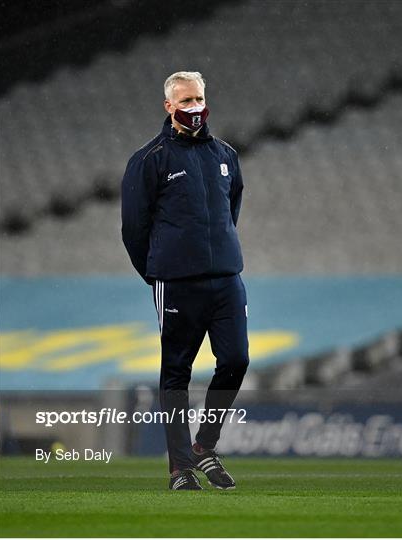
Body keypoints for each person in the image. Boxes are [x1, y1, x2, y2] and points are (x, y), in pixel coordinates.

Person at [121, 71, 249, 490]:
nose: (193, 107)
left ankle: (204, 445)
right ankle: (180, 468)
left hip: (227, 279)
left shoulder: (225, 155)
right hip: (176, 283)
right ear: (168, 106)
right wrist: (159, 271)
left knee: (236, 360)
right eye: (185, 100)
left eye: (198, 98)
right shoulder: (149, 159)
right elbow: (134, 230)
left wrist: (217, 252)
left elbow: (231, 211)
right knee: (177, 372)